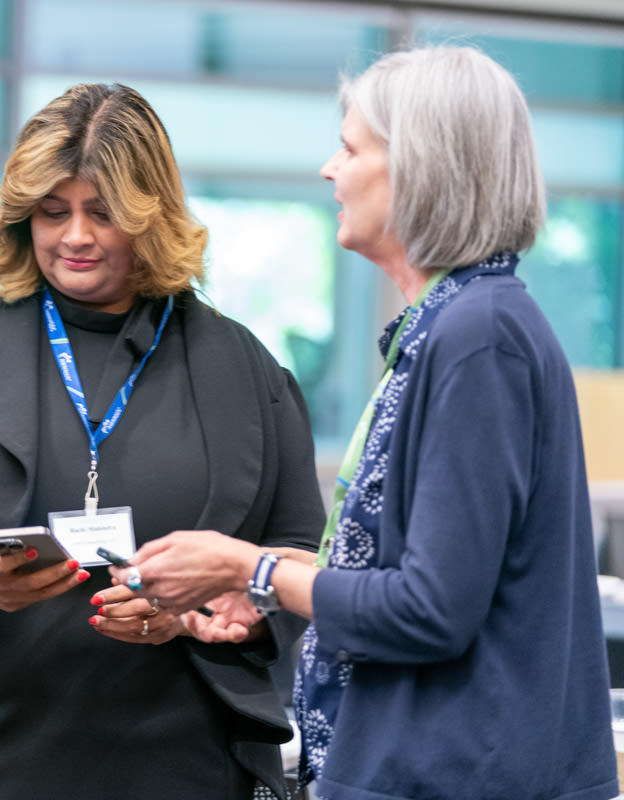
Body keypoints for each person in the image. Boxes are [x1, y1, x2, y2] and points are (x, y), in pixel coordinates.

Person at [123, 45, 619, 800]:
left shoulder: (476, 337)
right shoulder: (452, 326)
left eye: (351, 149)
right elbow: (411, 581)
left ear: (422, 167)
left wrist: (248, 567)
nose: (330, 169)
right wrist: (266, 590)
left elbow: (430, 610)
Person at [0, 83, 325, 799]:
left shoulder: (243, 368)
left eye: (102, 213)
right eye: (52, 212)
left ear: (152, 217)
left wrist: (201, 617)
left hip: (184, 760)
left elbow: (297, 568)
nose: (74, 235)